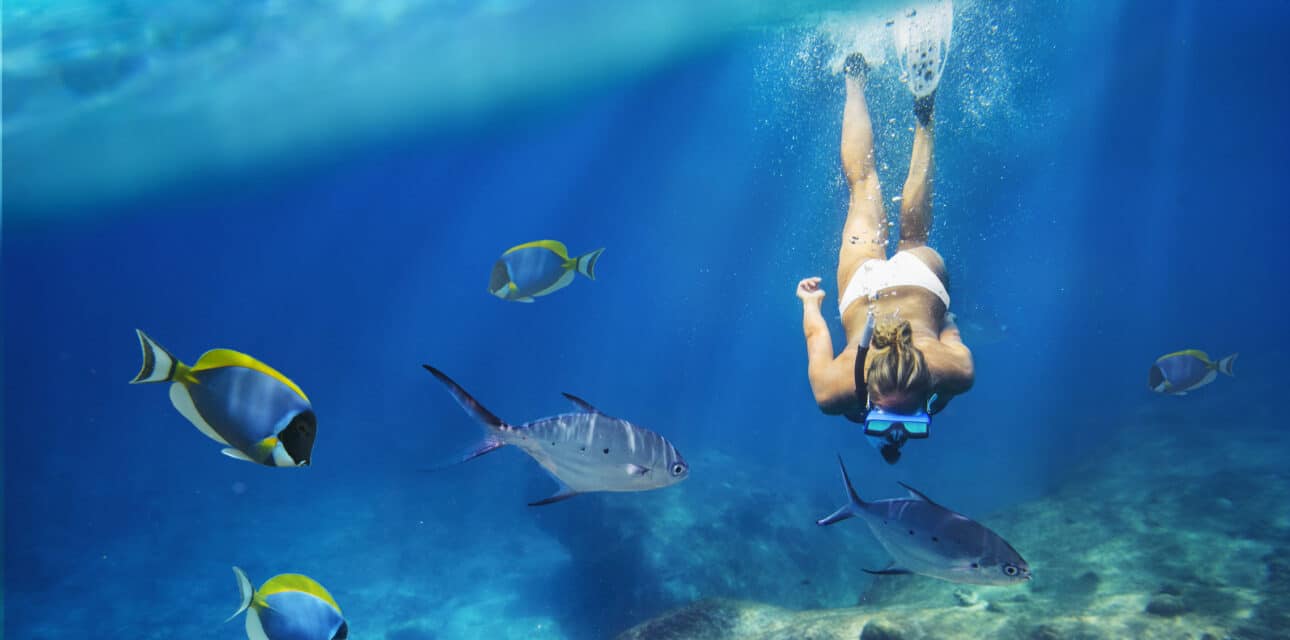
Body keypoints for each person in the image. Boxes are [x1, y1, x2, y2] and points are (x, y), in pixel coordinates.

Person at [795, 53, 973, 464]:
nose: (895, 431)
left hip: (919, 280)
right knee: (862, 186)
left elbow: (950, 327)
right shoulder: (831, 389)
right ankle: (854, 75)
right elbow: (816, 337)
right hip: (863, 290)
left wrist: (940, 317)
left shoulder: (956, 372)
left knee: (912, 237)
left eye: (883, 422)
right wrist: (810, 306)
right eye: (911, 424)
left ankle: (923, 114)